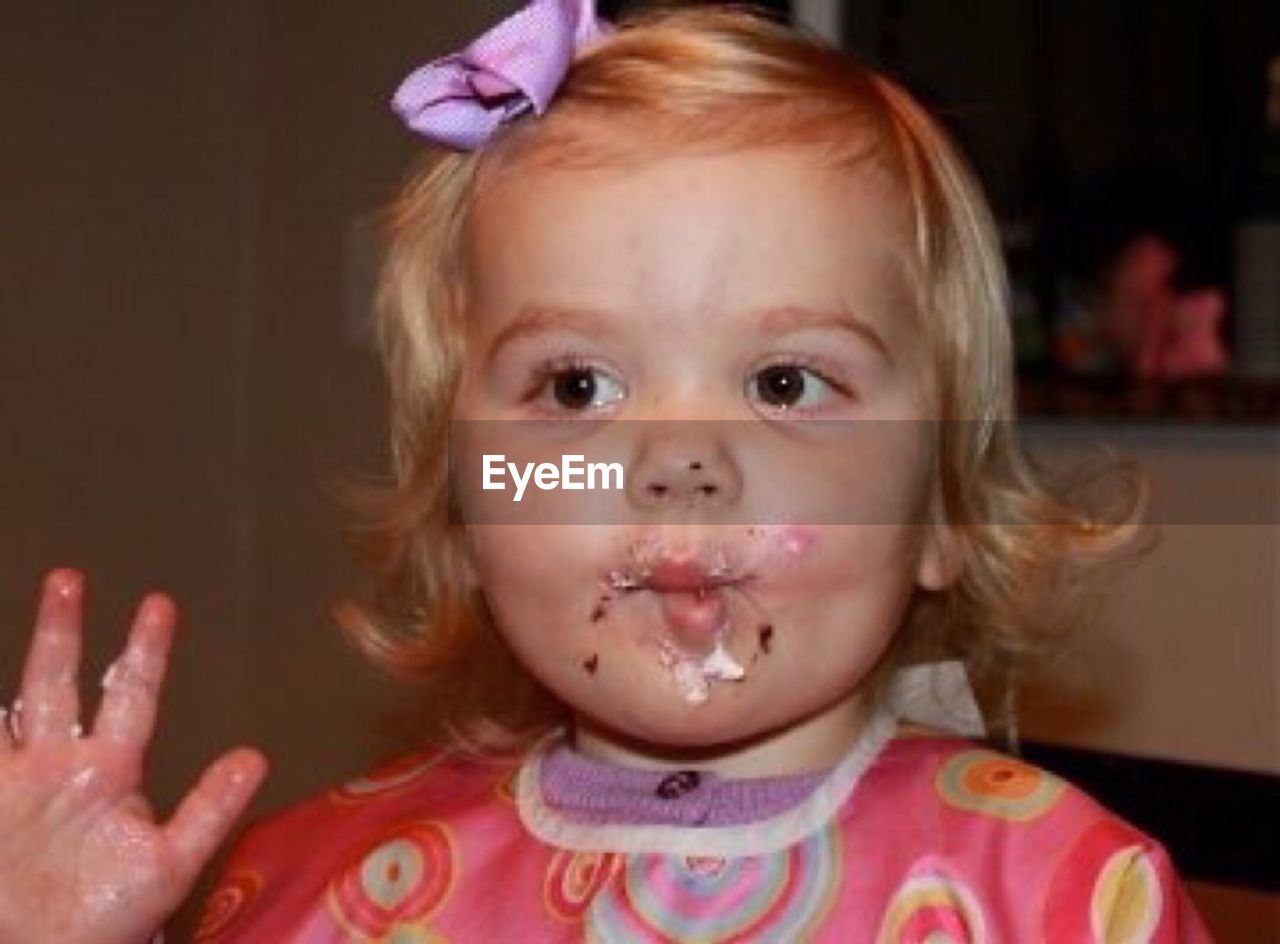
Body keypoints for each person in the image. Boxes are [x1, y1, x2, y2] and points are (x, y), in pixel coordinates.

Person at [0, 2, 1214, 940]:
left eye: (785, 382)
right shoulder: (330, 887)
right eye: (576, 387)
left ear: (943, 501)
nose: (675, 461)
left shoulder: (1064, 899)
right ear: (471, 505)